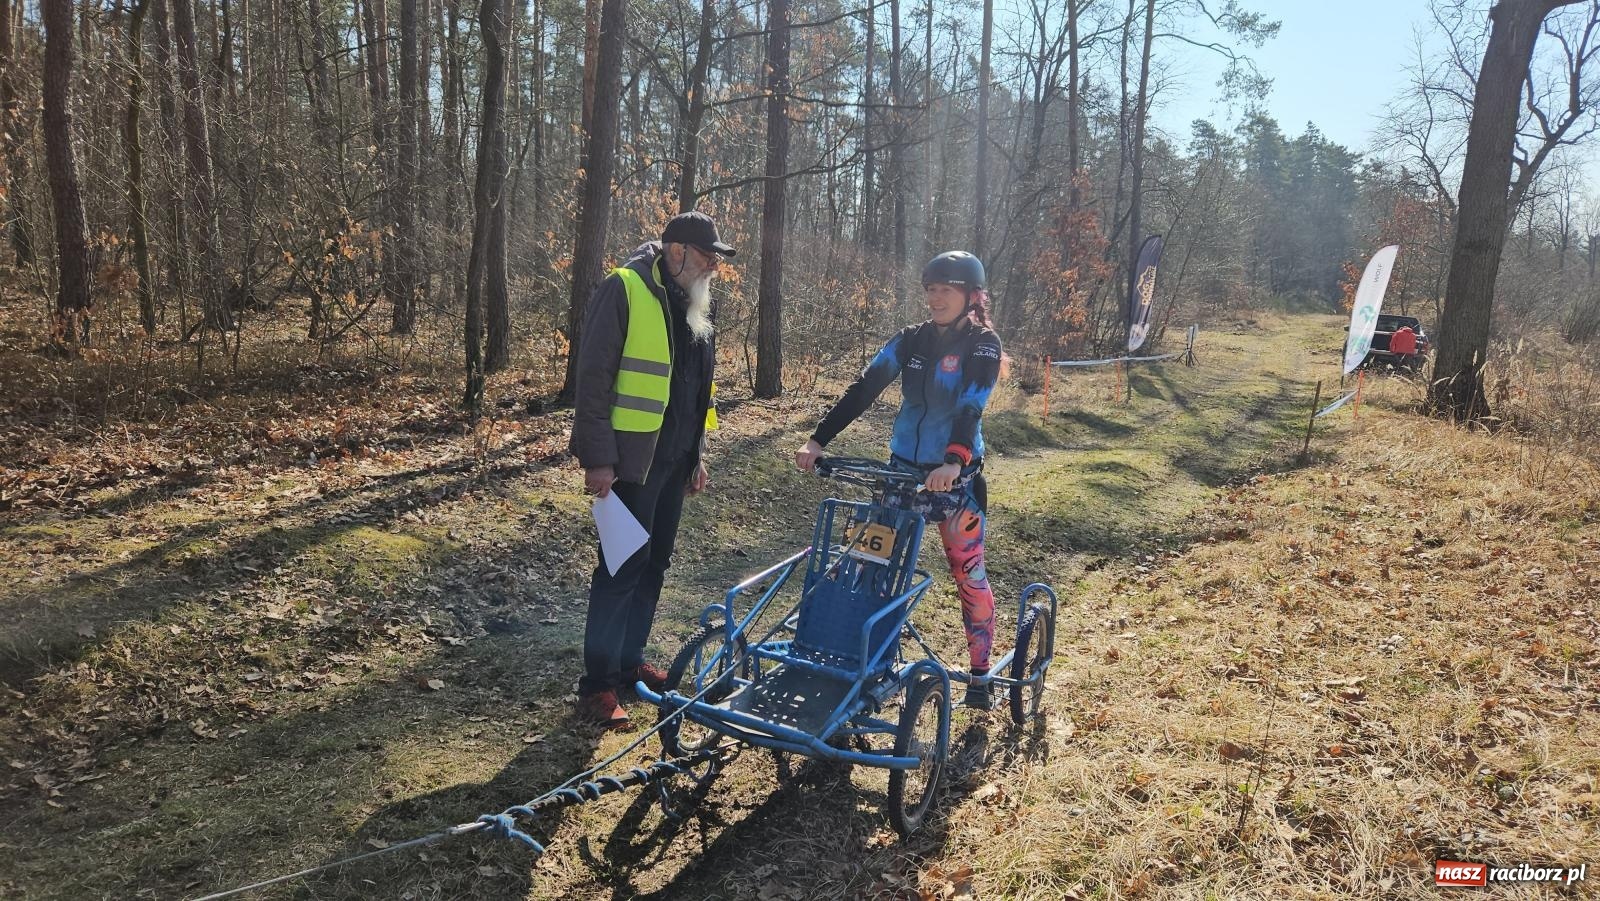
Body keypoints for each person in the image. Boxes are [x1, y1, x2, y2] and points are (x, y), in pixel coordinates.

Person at [794, 251, 1004, 709]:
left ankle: (981, 672)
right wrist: (817, 440)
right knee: (867, 568)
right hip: (900, 473)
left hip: (957, 480)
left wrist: (953, 462)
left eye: (946, 289)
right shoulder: (911, 339)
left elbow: (972, 404)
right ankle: (854, 662)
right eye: (930, 289)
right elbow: (864, 387)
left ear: (971, 296)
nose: (936, 298)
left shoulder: (983, 344)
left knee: (967, 573)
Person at [568, 211, 733, 728]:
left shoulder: (696, 307)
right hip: (628, 465)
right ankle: (598, 687)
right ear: (678, 251)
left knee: (654, 565)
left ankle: (628, 662)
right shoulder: (626, 289)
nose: (713, 267)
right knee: (620, 570)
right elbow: (592, 379)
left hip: (673, 464)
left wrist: (696, 455)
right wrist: (597, 459)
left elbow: (696, 392)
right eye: (708, 256)